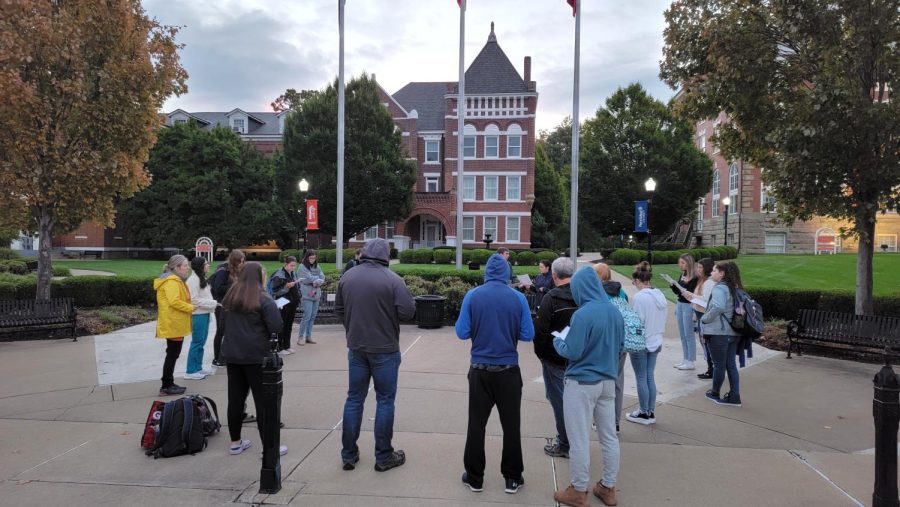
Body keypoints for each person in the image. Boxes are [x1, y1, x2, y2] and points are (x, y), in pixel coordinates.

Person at [456, 253, 535, 494]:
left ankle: (474, 477)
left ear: (486, 272)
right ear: (507, 273)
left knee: (476, 425)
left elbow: (461, 332)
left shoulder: (473, 296)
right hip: (509, 370)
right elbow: (527, 334)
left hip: (479, 369)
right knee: (511, 426)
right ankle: (512, 477)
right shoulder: (518, 298)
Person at [336, 238, 416, 472]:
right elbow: (408, 312)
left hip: (357, 348)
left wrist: (353, 329)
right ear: (386, 255)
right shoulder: (393, 280)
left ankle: (348, 455)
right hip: (385, 349)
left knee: (354, 399)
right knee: (385, 401)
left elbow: (339, 310)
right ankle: (383, 456)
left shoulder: (348, 277)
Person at [553, 266, 623, 507]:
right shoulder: (614, 312)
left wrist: (558, 342)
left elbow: (572, 350)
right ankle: (608, 487)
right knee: (609, 437)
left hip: (582, 383)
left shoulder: (582, 314)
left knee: (579, 439)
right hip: (607, 382)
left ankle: (578, 490)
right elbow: (621, 345)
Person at [220, 261, 287, 456]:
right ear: (259, 276)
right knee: (264, 402)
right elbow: (276, 326)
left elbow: (223, 324)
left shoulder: (231, 297)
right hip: (257, 356)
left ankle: (235, 442)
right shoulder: (263, 299)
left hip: (233, 355)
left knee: (235, 399)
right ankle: (268, 447)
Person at [533, 257, 577, 459]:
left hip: (555, 358)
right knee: (573, 401)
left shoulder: (551, 298)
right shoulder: (582, 296)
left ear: (554, 275)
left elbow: (540, 331)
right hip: (576, 358)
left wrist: (541, 354)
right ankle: (572, 440)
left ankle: (565, 443)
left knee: (558, 400)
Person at [625, 261, 668, 425]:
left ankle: (644, 412)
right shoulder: (660, 295)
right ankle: (649, 411)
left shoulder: (639, 298)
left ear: (637, 280)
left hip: (641, 342)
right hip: (656, 340)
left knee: (641, 377)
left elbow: (636, 321)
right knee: (649, 376)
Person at [701, 261, 744, 407]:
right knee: (731, 365)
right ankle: (734, 396)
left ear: (722, 273)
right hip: (733, 333)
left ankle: (714, 393)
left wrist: (705, 318)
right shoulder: (735, 287)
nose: (711, 273)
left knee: (718, 365)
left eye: (714, 270)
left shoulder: (719, 288)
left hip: (719, 333)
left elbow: (718, 306)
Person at [593, 262, 628, 432]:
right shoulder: (621, 292)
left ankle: (601, 421)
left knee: (601, 383)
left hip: (605, 343)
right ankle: (615, 422)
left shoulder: (598, 294)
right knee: (617, 382)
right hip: (622, 342)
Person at [154, 255, 193, 396]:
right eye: (185, 265)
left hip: (174, 323)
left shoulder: (174, 280)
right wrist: (191, 307)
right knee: (172, 354)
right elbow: (174, 301)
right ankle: (166, 386)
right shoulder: (172, 281)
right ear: (176, 268)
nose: (187, 268)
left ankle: (168, 382)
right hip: (173, 324)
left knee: (172, 354)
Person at [680, 258, 715, 379]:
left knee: (707, 343)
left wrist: (691, 295)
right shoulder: (702, 280)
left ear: (707, 269)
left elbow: (706, 300)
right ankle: (710, 369)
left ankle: (712, 369)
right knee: (704, 342)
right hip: (699, 313)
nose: (698, 269)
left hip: (705, 315)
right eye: (698, 267)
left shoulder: (708, 282)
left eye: (700, 267)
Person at [184, 256, 218, 380]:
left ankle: (198, 368)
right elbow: (193, 300)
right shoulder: (193, 280)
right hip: (197, 314)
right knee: (197, 342)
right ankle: (191, 370)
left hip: (204, 314)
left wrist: (211, 304)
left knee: (201, 342)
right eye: (206, 264)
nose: (208, 265)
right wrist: (213, 303)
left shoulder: (200, 278)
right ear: (201, 266)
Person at [210, 249, 245, 366]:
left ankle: (226, 355)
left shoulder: (235, 270)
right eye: (240, 261)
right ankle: (217, 358)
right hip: (221, 305)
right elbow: (217, 288)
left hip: (230, 304)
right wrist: (235, 285)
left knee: (229, 331)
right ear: (235, 261)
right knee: (220, 331)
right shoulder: (222, 270)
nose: (242, 263)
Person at [669, 253, 699, 370]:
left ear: (689, 263)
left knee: (688, 334)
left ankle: (691, 361)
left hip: (688, 306)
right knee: (682, 334)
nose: (680, 265)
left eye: (682, 263)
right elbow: (678, 292)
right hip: (680, 304)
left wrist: (683, 287)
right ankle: (685, 359)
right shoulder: (683, 274)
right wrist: (673, 285)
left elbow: (691, 294)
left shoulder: (695, 277)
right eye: (679, 262)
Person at [270, 256, 300, 355]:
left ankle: (287, 345)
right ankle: (280, 347)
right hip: (283, 303)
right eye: (291, 265)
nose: (293, 268)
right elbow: (275, 292)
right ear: (285, 264)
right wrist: (286, 287)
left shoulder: (293, 273)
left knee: (289, 325)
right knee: (282, 325)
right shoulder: (278, 275)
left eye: (295, 266)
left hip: (292, 302)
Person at [297, 249, 325, 346]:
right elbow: (306, 279)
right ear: (306, 257)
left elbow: (322, 277)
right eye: (310, 258)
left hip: (316, 294)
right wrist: (317, 279)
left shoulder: (317, 266)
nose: (312, 260)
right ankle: (301, 337)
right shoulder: (302, 267)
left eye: (314, 258)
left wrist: (316, 281)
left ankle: (308, 336)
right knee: (307, 316)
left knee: (313, 316)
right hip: (306, 295)